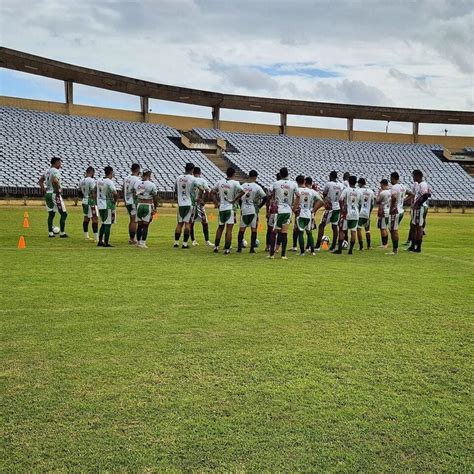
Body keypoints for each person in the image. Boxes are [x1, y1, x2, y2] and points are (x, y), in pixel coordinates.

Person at [268, 167, 300, 260]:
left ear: (280, 174)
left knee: (274, 232)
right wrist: (294, 207)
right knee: (284, 232)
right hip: (288, 210)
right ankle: (283, 255)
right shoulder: (293, 184)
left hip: (279, 210)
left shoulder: (276, 183)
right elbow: (298, 196)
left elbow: (269, 193)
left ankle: (272, 254)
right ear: (288, 174)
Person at [212, 167, 245, 254]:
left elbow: (212, 192)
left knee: (220, 228)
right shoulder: (235, 183)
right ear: (234, 174)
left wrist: (216, 202)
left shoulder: (220, 182)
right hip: (230, 208)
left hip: (222, 207)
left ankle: (216, 247)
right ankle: (227, 249)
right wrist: (234, 200)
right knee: (229, 230)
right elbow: (243, 192)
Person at [237, 170, 267, 253]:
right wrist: (259, 206)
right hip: (253, 210)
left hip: (244, 210)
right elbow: (265, 198)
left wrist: (241, 206)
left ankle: (239, 248)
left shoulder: (243, 186)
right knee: (254, 229)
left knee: (242, 229)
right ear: (255, 177)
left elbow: (238, 197)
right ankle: (252, 249)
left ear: (248, 176)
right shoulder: (257, 187)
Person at [174, 162, 202, 249]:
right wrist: (198, 198)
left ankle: (176, 242)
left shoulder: (178, 178)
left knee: (179, 223)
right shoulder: (193, 179)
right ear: (192, 169)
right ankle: (185, 244)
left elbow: (175, 190)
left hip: (181, 203)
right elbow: (201, 188)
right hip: (190, 203)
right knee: (188, 223)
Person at [38, 157, 68, 238]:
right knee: (64, 214)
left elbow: (40, 180)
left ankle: (50, 233)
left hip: (48, 194)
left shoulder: (47, 171)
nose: (60, 164)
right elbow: (55, 180)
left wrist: (43, 189)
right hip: (54, 194)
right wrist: (58, 189)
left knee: (51, 214)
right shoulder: (55, 171)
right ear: (55, 163)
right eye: (59, 162)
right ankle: (62, 233)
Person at [296, 175, 323, 256]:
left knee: (300, 232)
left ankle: (302, 252)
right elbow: (321, 201)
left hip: (301, 213)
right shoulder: (311, 191)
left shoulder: (297, 190)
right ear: (304, 181)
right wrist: (313, 210)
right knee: (309, 232)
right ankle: (312, 251)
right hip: (309, 213)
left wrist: (295, 208)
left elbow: (295, 200)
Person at [316, 171, 343, 251]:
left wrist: (325, 200)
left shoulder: (329, 184)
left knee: (321, 225)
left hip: (330, 208)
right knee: (334, 226)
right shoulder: (341, 185)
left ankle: (317, 245)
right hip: (337, 207)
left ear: (330, 176)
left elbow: (324, 194)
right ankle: (334, 245)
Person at [333, 175, 360, 255]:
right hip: (355, 213)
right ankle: (350, 250)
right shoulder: (358, 191)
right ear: (356, 182)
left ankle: (340, 250)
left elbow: (341, 200)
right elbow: (360, 202)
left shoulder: (346, 190)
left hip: (347, 213)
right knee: (353, 231)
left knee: (342, 230)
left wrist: (342, 210)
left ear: (348, 181)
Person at [407, 170, 430, 253]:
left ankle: (418, 247)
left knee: (418, 227)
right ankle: (412, 245)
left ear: (418, 176)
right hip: (416, 208)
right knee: (413, 225)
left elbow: (426, 195)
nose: (413, 177)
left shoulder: (423, 184)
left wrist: (418, 204)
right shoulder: (418, 184)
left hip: (419, 208)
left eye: (414, 176)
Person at [135, 170, 158, 249]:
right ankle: (143, 242)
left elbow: (135, 193)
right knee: (146, 225)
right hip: (147, 204)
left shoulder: (137, 183)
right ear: (149, 175)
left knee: (139, 224)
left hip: (139, 204)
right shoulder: (151, 184)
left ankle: (138, 242)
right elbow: (155, 197)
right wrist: (155, 207)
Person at [96, 166, 118, 247]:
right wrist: (115, 201)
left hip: (100, 203)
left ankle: (100, 241)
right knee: (108, 224)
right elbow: (115, 193)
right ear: (111, 172)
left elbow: (95, 190)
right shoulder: (109, 182)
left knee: (103, 223)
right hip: (108, 204)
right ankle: (106, 242)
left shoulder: (99, 180)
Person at [190, 167, 212, 247]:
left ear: (193, 172)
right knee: (205, 222)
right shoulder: (202, 181)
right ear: (200, 173)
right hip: (199, 204)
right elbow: (208, 191)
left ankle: (193, 240)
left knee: (191, 222)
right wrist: (204, 201)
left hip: (191, 203)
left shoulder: (191, 180)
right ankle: (207, 241)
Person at [387, 172, 406, 255]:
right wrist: (403, 201)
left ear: (393, 178)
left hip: (396, 211)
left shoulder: (394, 187)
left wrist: (392, 208)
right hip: (401, 209)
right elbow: (411, 194)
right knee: (392, 228)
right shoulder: (403, 186)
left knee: (394, 229)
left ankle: (395, 250)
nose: (390, 180)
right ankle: (395, 248)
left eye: (391, 178)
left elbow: (394, 197)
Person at [78, 166, 98, 242]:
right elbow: (93, 191)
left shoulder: (81, 180)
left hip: (84, 200)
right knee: (95, 218)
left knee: (86, 218)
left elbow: (79, 192)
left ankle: (86, 236)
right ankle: (96, 238)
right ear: (92, 172)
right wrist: (95, 200)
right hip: (91, 201)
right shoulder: (92, 180)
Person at [123, 163, 141, 244]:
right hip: (133, 201)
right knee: (134, 220)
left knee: (131, 220)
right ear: (138, 170)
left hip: (127, 201)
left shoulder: (126, 178)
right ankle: (132, 239)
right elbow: (138, 191)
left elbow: (123, 189)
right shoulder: (137, 179)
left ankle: (131, 237)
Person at [357, 178, 374, 250]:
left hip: (360, 213)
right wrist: (369, 213)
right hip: (367, 213)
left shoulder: (359, 191)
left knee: (358, 229)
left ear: (360, 183)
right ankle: (369, 246)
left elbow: (357, 202)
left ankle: (361, 247)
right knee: (367, 230)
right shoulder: (371, 192)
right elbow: (372, 204)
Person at [265, 172, 280, 252]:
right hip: (281, 211)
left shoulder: (272, 187)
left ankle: (268, 246)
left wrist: (267, 210)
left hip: (272, 210)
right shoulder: (286, 187)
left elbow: (268, 200)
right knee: (280, 229)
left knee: (270, 229)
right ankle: (277, 248)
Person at [376, 179, 391, 248]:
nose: (380, 186)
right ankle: (385, 243)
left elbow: (377, 201)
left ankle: (384, 244)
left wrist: (379, 193)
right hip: (389, 211)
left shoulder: (383, 193)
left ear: (382, 184)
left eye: (381, 184)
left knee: (382, 228)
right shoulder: (391, 191)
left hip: (383, 211)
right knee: (385, 227)